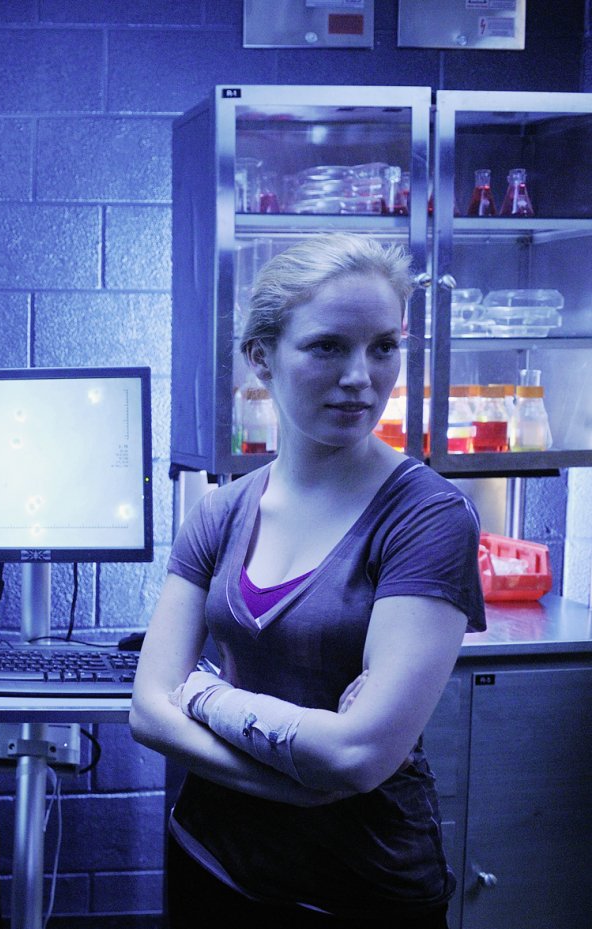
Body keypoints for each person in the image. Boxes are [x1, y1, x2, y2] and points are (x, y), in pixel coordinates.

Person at [130, 233, 485, 928]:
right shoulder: (221, 510)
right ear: (261, 357)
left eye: (383, 347)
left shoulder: (427, 517)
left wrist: (203, 695)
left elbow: (357, 756)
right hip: (213, 859)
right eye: (328, 347)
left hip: (364, 885)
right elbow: (146, 711)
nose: (361, 376)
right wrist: (300, 780)